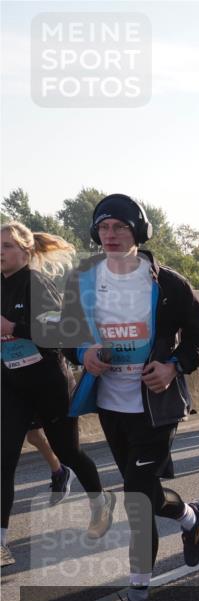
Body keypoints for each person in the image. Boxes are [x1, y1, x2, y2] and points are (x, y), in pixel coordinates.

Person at [60, 195, 199, 601]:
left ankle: (139, 591)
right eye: (104, 228)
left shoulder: (167, 283)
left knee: (137, 500)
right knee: (138, 490)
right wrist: (82, 354)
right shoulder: (83, 279)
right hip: (110, 402)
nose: (110, 236)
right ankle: (191, 515)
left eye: (120, 228)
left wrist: (173, 366)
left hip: (155, 404)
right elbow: (66, 335)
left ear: (138, 232)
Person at [1, 222, 114, 568]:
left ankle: (100, 500)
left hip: (48, 382)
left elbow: (60, 332)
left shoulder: (37, 284)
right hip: (12, 384)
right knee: (4, 459)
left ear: (25, 250)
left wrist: (15, 328)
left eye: (6, 246)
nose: (0, 252)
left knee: (68, 451)